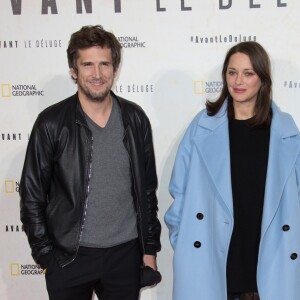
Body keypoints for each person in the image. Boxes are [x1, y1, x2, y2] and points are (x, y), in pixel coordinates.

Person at [20, 25, 161, 300]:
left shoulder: (135, 119)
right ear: (74, 70)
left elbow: (147, 191)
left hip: (125, 255)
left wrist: (149, 249)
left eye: (104, 64)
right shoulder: (51, 123)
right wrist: (46, 256)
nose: (97, 74)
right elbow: (32, 196)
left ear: (115, 69)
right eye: (88, 65)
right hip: (69, 257)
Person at [164, 41, 300, 300]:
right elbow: (179, 191)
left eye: (248, 73)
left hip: (270, 261)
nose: (238, 80)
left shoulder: (285, 131)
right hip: (211, 260)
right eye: (232, 72)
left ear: (262, 79)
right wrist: (185, 243)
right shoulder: (202, 127)